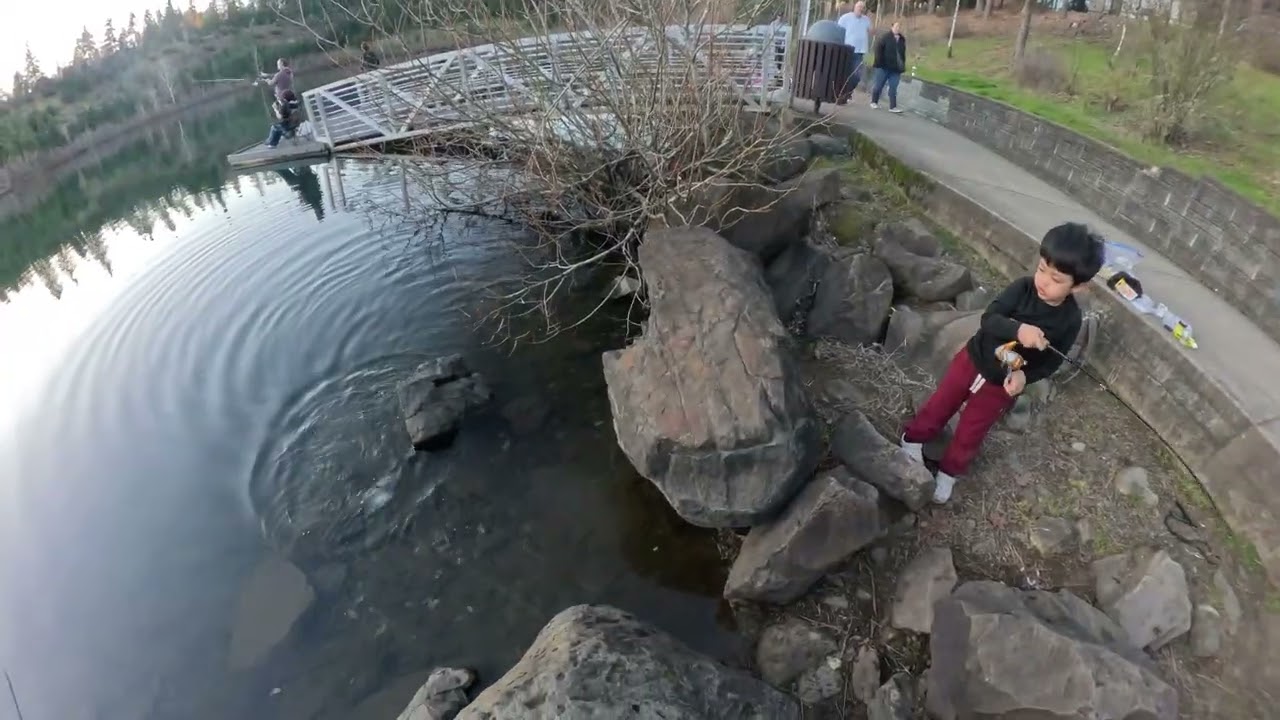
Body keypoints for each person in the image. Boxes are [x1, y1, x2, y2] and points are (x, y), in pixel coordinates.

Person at [899, 222, 1105, 504]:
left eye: (1056, 279)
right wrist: (1019, 330)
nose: (1043, 281)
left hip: (1002, 383)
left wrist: (1024, 377)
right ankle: (913, 440)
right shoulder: (1022, 289)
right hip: (973, 359)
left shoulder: (1070, 320)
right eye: (1041, 269)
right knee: (942, 402)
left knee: (973, 428)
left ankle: (949, 472)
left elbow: (1050, 363)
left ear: (1078, 286)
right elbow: (990, 319)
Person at [836, 1, 872, 103]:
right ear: (854, 7)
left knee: (857, 76)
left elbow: (871, 32)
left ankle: (847, 94)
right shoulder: (845, 18)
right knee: (844, 73)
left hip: (860, 52)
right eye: (859, 6)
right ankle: (840, 95)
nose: (861, 9)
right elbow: (838, 31)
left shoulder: (866, 20)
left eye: (863, 7)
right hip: (846, 50)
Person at [870, 22, 906, 113]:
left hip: (896, 68)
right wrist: (879, 62)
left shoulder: (902, 39)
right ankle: (874, 101)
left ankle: (893, 106)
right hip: (884, 66)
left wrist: (902, 64)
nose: (898, 28)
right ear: (892, 27)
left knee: (893, 87)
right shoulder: (885, 37)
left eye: (899, 27)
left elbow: (902, 53)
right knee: (878, 85)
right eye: (896, 26)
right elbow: (878, 50)